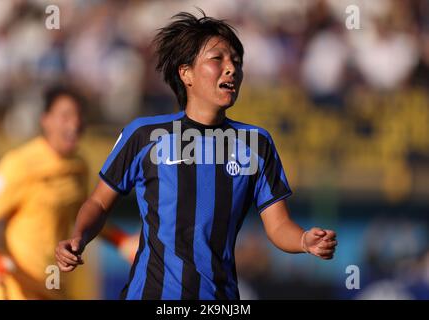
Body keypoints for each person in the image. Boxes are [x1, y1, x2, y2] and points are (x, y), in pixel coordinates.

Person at [56, 10, 337, 300]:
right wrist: (79, 237)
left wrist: (304, 240)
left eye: (236, 62)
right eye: (218, 59)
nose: (231, 69)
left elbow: (278, 225)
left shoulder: (256, 143)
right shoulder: (144, 136)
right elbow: (99, 203)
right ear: (186, 72)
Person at [0, 85, 137, 299]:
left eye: (79, 116)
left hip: (52, 282)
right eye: (65, 116)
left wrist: (121, 240)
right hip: (16, 286)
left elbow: (83, 216)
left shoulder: (78, 166)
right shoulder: (19, 164)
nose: (74, 123)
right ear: (46, 120)